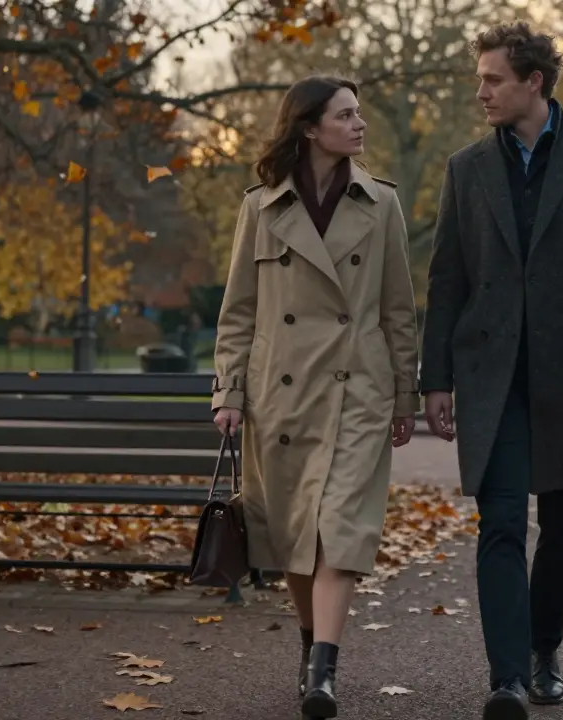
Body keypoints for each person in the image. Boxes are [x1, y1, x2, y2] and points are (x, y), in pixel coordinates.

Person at [419, 22, 563, 720]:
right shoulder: (466, 169)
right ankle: (507, 679)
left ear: (534, 83)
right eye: (481, 78)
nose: (482, 91)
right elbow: (446, 279)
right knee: (498, 523)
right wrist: (436, 379)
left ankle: (544, 649)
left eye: (493, 79)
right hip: (492, 375)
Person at [209, 75, 421, 720]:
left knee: (339, 532)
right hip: (282, 396)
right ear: (309, 127)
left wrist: (405, 394)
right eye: (346, 115)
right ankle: (309, 647)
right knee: (296, 535)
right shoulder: (260, 207)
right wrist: (230, 392)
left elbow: (398, 309)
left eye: (359, 114)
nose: (360, 126)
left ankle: (323, 672)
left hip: (358, 388)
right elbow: (238, 313)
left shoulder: (381, 203)